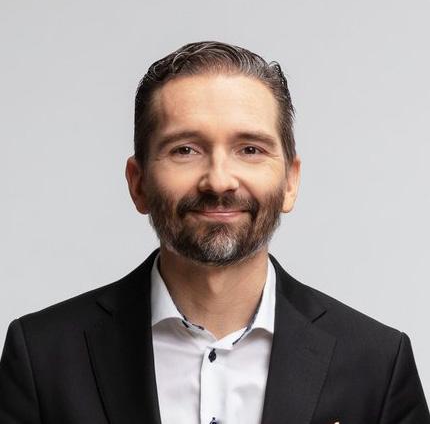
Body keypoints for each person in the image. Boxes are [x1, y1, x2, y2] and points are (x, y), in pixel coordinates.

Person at [0, 41, 428, 424]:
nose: (219, 181)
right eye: (185, 149)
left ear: (290, 182)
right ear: (138, 184)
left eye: (250, 149)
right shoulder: (42, 356)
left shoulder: (377, 364)